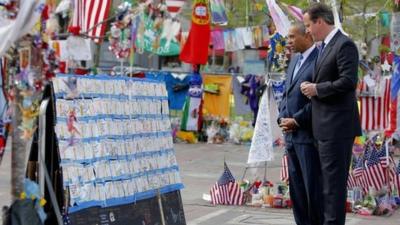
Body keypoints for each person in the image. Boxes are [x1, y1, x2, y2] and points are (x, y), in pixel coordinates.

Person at [300, 3, 361, 225]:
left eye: (308, 25)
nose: (307, 30)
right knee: (325, 185)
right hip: (322, 127)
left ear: (320, 21)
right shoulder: (324, 46)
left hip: (337, 127)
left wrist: (317, 89)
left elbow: (348, 81)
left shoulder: (344, 44)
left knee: (333, 188)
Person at [278, 23, 322, 225]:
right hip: (291, 138)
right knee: (296, 192)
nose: (288, 42)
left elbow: (319, 101)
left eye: (292, 37)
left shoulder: (319, 60)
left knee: (312, 191)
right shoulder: (294, 59)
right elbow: (288, 93)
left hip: (308, 137)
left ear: (307, 36)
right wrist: (282, 117)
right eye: (287, 37)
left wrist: (297, 120)